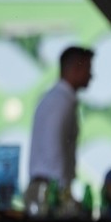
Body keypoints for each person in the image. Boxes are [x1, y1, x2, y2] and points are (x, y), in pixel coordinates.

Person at [26, 45, 94, 204]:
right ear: (76, 68)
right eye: (88, 69)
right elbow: (53, 148)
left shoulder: (57, 99)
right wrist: (63, 194)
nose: (91, 75)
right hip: (50, 190)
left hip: (47, 186)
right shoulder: (61, 102)